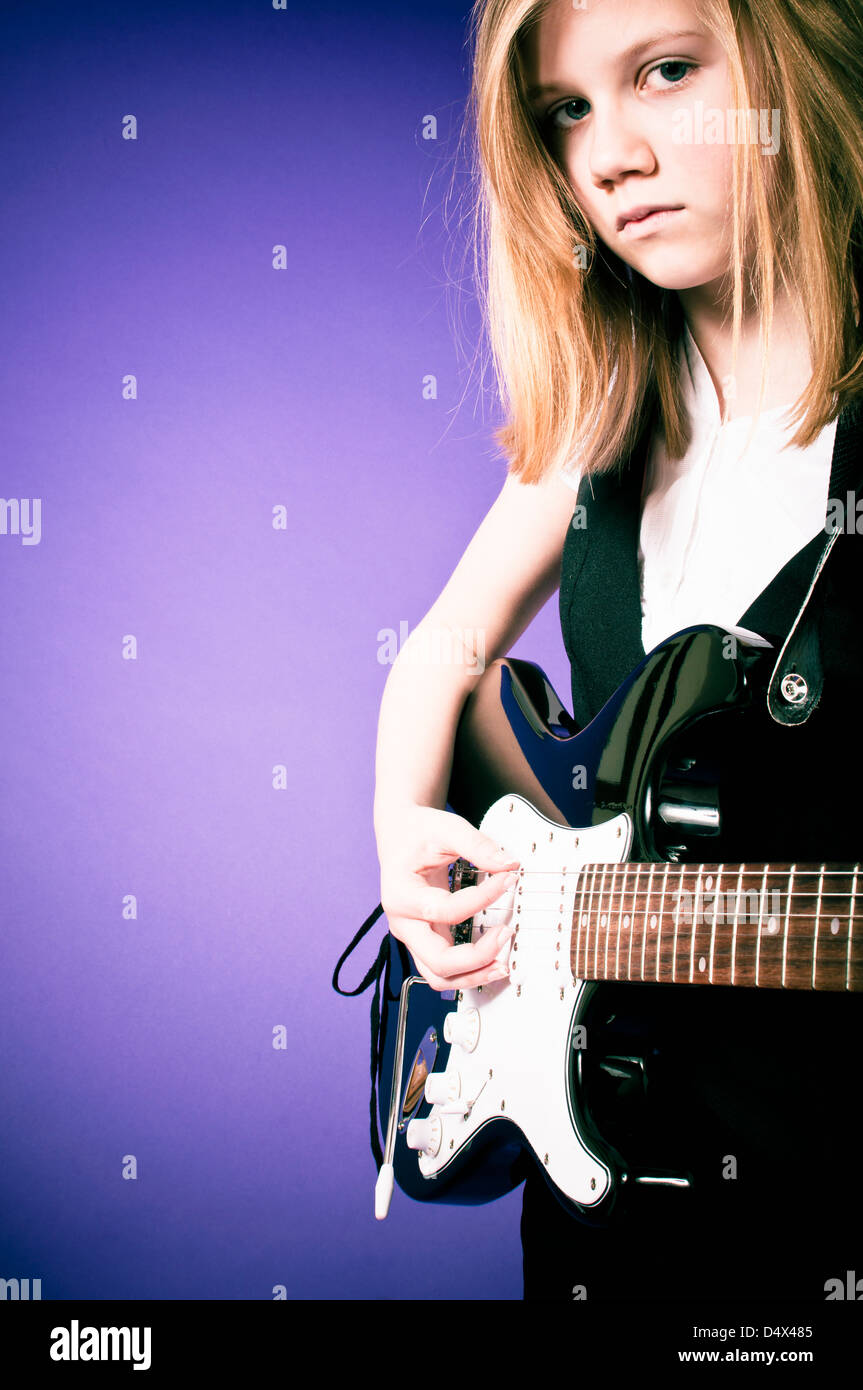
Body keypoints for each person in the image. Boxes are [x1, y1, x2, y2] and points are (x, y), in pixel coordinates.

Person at [373, 0, 863, 1302]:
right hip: (601, 1219)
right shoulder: (604, 409)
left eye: (663, 71)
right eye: (566, 112)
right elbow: (439, 655)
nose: (609, 155)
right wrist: (400, 842)